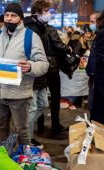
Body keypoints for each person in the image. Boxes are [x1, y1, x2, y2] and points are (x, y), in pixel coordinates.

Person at [0, 3, 49, 145]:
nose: (9, 18)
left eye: (13, 15)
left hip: (19, 94)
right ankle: (4, 158)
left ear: (20, 18)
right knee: (1, 130)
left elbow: (44, 64)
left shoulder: (30, 37)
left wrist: (31, 66)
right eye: (7, 15)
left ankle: (23, 161)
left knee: (22, 131)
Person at [24, 0, 72, 140]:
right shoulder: (47, 29)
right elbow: (59, 46)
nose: (48, 14)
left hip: (37, 68)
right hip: (50, 67)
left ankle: (40, 126)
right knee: (53, 97)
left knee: (40, 99)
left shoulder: (31, 28)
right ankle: (54, 125)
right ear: (38, 12)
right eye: (46, 11)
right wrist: (68, 49)